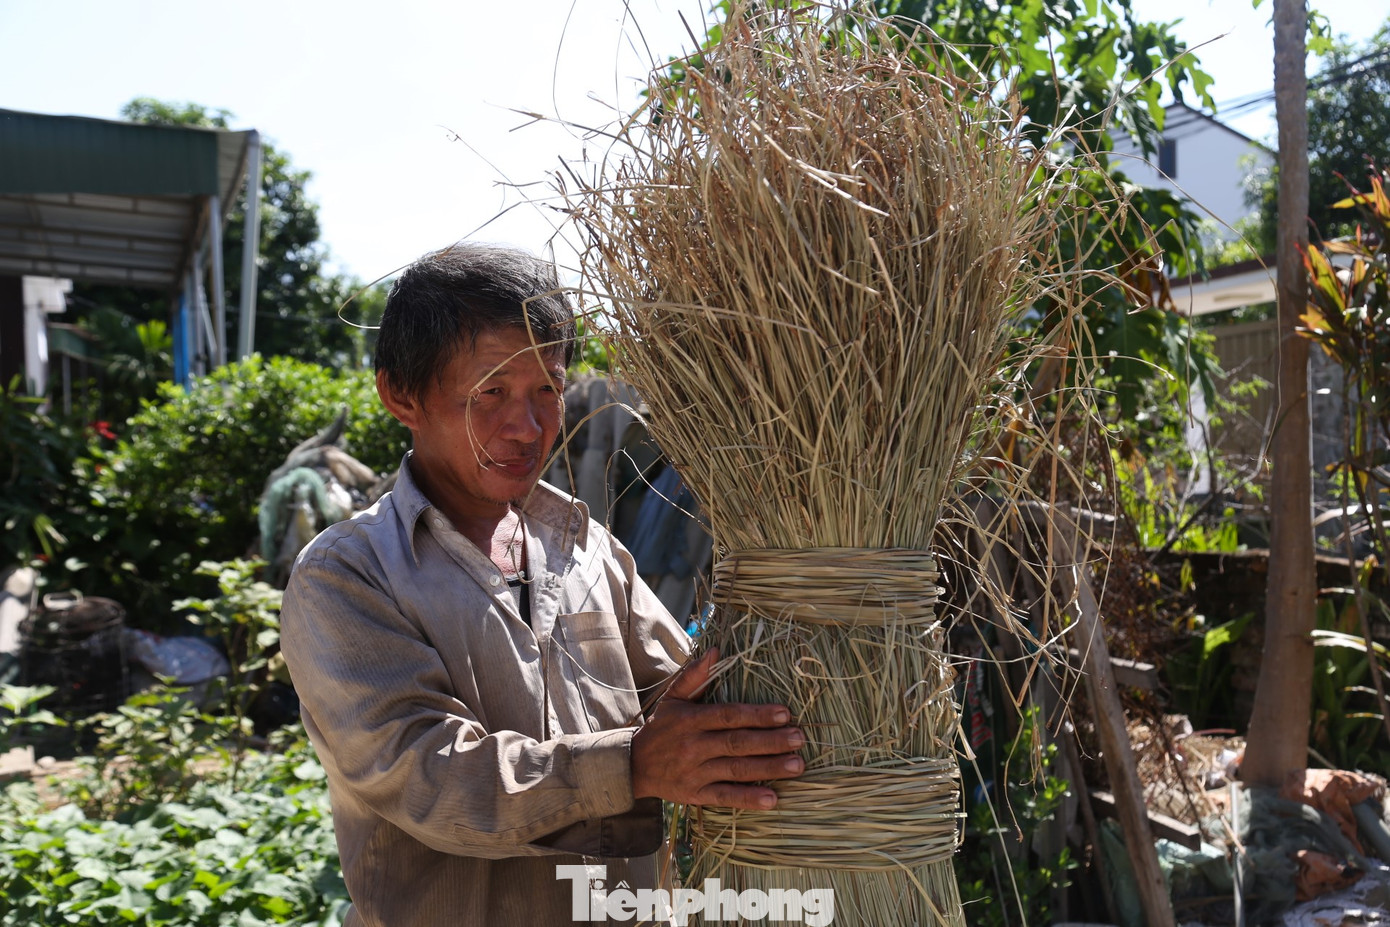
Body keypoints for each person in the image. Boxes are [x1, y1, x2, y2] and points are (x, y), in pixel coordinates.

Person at [279, 243, 805, 927]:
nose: (526, 428)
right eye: (490, 392)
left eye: (547, 390)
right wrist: (636, 763)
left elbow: (681, 689)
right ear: (400, 394)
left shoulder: (587, 549)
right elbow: (431, 776)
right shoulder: (347, 577)